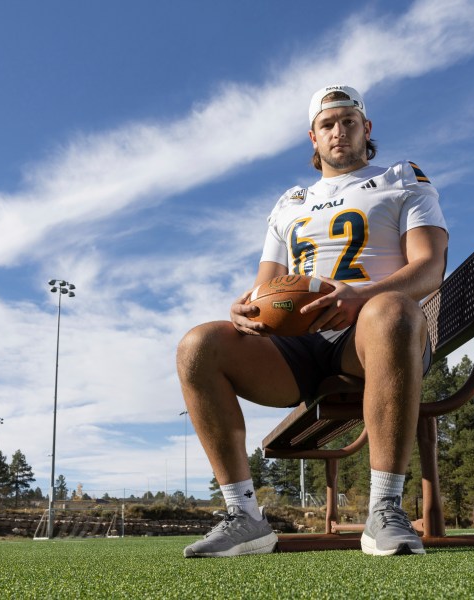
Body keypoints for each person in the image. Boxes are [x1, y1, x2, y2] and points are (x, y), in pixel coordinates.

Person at [176, 84, 448, 558]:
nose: (338, 131)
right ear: (313, 137)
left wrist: (361, 295)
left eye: (348, 121)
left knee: (391, 310)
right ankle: (244, 516)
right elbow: (266, 285)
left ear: (366, 128)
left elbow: (429, 266)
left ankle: (384, 510)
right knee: (198, 344)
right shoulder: (289, 202)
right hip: (298, 342)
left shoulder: (401, 178)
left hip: (372, 332)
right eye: (328, 125)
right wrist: (246, 310)